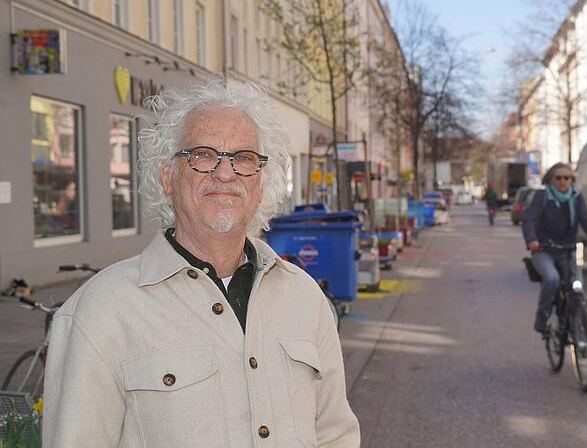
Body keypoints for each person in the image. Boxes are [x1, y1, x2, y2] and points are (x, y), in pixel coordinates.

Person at [43, 79, 361, 447]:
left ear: (261, 181)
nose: (224, 174)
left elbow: (336, 435)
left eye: (243, 158)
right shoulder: (100, 311)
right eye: (203, 155)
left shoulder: (305, 299)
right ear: (167, 175)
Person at [522, 163, 587, 336]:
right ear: (551, 179)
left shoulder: (576, 196)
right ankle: (542, 318)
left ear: (571, 180)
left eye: (566, 178)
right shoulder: (542, 196)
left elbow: (586, 218)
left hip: (573, 248)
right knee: (552, 279)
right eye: (558, 178)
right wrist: (532, 240)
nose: (562, 181)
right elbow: (529, 219)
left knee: (577, 287)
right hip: (544, 249)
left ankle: (582, 338)